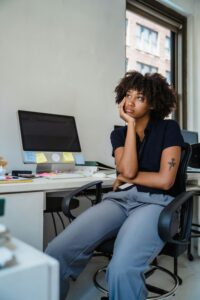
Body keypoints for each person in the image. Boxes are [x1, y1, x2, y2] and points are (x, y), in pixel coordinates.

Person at [45, 71, 185, 300]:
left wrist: (128, 178)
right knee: (56, 251)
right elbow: (127, 170)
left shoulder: (168, 129)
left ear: (152, 103)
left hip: (156, 203)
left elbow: (164, 180)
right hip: (120, 200)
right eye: (127, 95)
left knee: (121, 269)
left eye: (139, 97)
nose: (129, 102)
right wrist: (130, 126)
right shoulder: (118, 134)